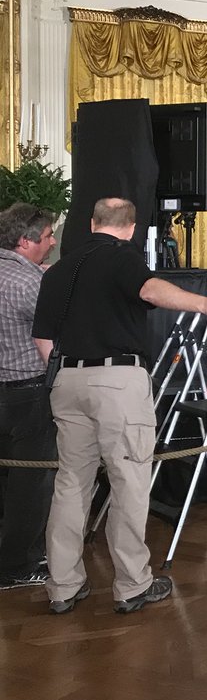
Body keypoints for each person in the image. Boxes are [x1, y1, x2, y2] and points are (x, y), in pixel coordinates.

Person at [32, 198, 207, 615]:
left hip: (66, 381)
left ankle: (63, 586)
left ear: (92, 224)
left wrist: (69, 374)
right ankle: (131, 585)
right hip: (117, 382)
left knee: (71, 484)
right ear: (130, 228)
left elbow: (43, 338)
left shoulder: (57, 270)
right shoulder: (122, 259)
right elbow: (149, 289)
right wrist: (204, 304)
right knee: (129, 482)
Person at [0, 204, 57, 590]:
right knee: (31, 484)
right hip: (28, 393)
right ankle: (17, 566)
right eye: (49, 235)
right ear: (26, 240)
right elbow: (52, 337)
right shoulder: (28, 284)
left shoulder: (15, 273)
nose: (53, 242)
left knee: (6, 480)